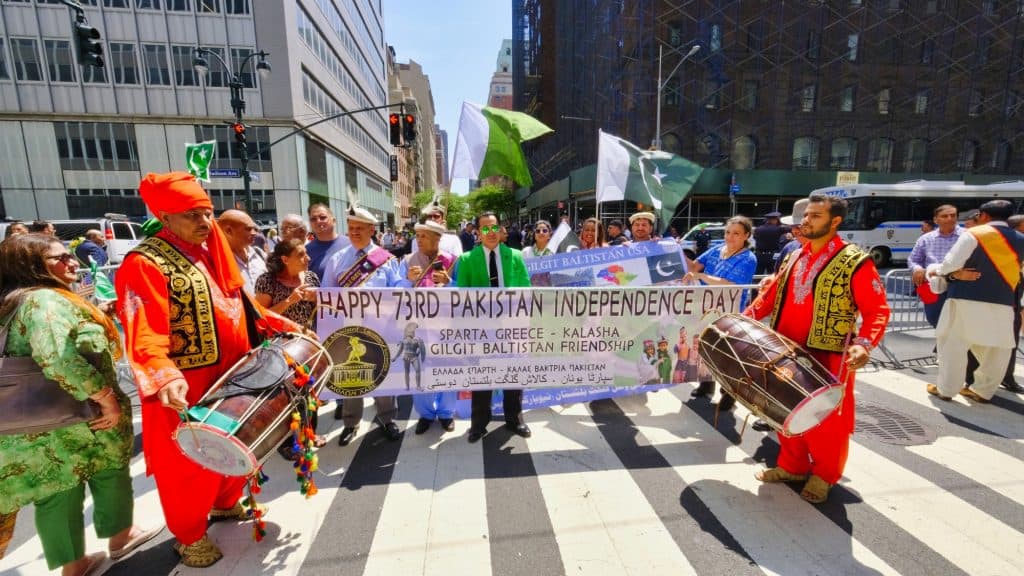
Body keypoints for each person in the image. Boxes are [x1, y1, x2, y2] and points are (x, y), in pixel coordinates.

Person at [115, 172, 300, 568]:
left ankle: (223, 504)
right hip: (186, 384)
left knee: (238, 442)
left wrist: (283, 324)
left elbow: (243, 306)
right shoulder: (143, 263)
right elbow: (142, 328)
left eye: (206, 213)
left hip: (235, 374)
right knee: (187, 465)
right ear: (164, 217)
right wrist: (163, 373)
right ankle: (189, 536)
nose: (204, 223)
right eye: (191, 215)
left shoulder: (209, 252)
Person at [0, 234, 161, 576]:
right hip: (79, 414)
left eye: (69, 255)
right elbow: (58, 357)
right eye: (59, 258)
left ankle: (76, 565)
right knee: (103, 474)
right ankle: (119, 536)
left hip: (42, 425)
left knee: (58, 490)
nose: (72, 262)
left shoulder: (20, 300)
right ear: (31, 266)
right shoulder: (43, 300)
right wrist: (105, 400)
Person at [746, 193, 889, 504]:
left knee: (826, 422)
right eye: (806, 215)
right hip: (784, 349)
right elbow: (769, 298)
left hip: (829, 355)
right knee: (783, 409)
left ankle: (824, 476)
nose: (806, 221)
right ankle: (792, 466)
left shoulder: (855, 261)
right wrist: (742, 322)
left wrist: (864, 344)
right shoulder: (794, 256)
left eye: (814, 216)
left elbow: (877, 309)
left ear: (835, 221)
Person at [323, 206, 411, 445]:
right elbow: (326, 295)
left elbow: (401, 287)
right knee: (352, 376)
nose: (354, 233)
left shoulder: (387, 259)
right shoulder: (338, 259)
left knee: (383, 373)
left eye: (360, 228)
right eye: (351, 228)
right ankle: (351, 423)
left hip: (381, 327)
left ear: (372, 230)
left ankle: (387, 418)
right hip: (349, 328)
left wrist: (406, 283)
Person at [927, 200, 1024, 403]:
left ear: (984, 216)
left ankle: (946, 389)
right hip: (1004, 300)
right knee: (996, 349)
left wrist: (943, 272)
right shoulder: (1021, 239)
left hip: (965, 297)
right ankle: (983, 391)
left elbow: (951, 263)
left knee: (952, 343)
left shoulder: (974, 234)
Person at [456, 211, 532, 442]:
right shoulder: (467, 260)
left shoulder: (516, 256)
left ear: (501, 230)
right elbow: (462, 297)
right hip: (482, 331)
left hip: (511, 328)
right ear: (478, 233)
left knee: (513, 375)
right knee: (482, 377)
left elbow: (526, 290)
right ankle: (478, 424)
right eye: (485, 229)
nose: (490, 233)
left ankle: (515, 419)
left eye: (494, 228)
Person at [684, 216, 758, 409]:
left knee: (727, 354)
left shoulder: (748, 258)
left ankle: (729, 394)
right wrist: (672, 249)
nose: (730, 237)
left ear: (746, 236)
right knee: (704, 346)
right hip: (705, 308)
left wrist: (700, 276)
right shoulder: (717, 250)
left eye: (736, 233)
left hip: (729, 312)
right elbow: (693, 266)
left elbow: (729, 284)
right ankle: (706, 384)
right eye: (727, 232)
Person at [401, 218, 457, 434]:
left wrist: (450, 283)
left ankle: (445, 413)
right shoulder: (407, 261)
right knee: (420, 370)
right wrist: (407, 280)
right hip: (418, 328)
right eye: (417, 235)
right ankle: (425, 413)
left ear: (437, 238)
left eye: (424, 235)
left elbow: (466, 292)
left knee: (447, 368)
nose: (419, 239)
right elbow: (394, 290)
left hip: (446, 328)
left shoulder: (453, 261)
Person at [908, 205, 962, 328]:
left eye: (953, 215)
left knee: (958, 323)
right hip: (933, 286)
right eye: (944, 216)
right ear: (936, 219)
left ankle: (948, 346)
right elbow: (913, 259)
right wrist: (917, 269)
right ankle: (943, 345)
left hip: (959, 285)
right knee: (934, 319)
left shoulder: (967, 236)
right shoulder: (926, 239)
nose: (949, 219)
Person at [218, 210, 267, 295]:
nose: (254, 233)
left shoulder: (259, 254)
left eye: (255, 229)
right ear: (229, 231)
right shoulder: (215, 261)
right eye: (248, 229)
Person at [306, 203, 351, 281]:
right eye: (313, 219)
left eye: (322, 217)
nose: (318, 221)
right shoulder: (306, 251)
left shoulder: (351, 244)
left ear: (334, 221)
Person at [753, 211, 788, 276]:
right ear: (775, 220)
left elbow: (755, 238)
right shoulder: (779, 229)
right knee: (772, 276)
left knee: (757, 275)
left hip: (759, 256)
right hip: (773, 256)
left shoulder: (758, 229)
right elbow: (790, 229)